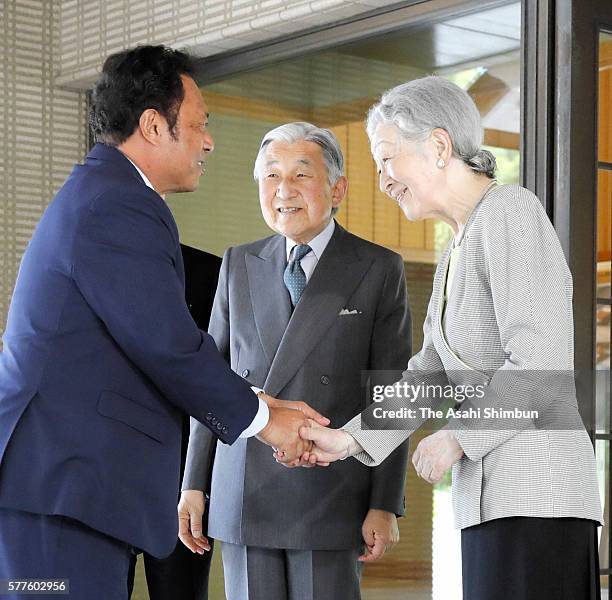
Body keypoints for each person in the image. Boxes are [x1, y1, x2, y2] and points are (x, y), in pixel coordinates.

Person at [0, 45, 326, 600]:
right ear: (154, 125)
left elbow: (148, 346)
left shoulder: (109, 194)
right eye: (198, 125)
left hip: (70, 492)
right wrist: (264, 421)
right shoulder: (116, 205)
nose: (208, 141)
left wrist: (265, 406)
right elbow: (167, 345)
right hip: (59, 492)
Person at [291, 77, 603, 600]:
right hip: (494, 502)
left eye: (388, 158)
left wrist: (457, 436)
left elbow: (541, 359)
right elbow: (431, 372)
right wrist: (348, 439)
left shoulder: (511, 212)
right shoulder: (459, 244)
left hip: (537, 499)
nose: (384, 178)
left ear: (438, 146)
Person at [179, 122, 411, 600]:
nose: (283, 190)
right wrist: (194, 485)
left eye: (301, 175)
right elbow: (211, 382)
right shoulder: (238, 263)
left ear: (337, 188)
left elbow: (392, 393)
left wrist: (385, 503)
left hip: (332, 490)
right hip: (244, 486)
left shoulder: (378, 267)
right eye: (270, 176)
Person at [127, 244, 222, 600]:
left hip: (184, 482)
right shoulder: (85, 267)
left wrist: (382, 500)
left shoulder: (212, 272)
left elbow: (220, 374)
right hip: (105, 480)